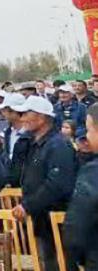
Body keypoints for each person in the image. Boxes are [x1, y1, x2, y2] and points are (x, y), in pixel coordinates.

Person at [12, 96, 78, 271]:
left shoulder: (58, 145)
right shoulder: (36, 144)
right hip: (43, 221)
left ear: (41, 117)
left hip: (58, 222)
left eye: (26, 113)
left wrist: (28, 205)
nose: (22, 118)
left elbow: (58, 184)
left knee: (61, 264)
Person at [65, 103, 98, 269]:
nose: (87, 136)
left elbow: (78, 224)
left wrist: (78, 257)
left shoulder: (92, 173)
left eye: (89, 130)